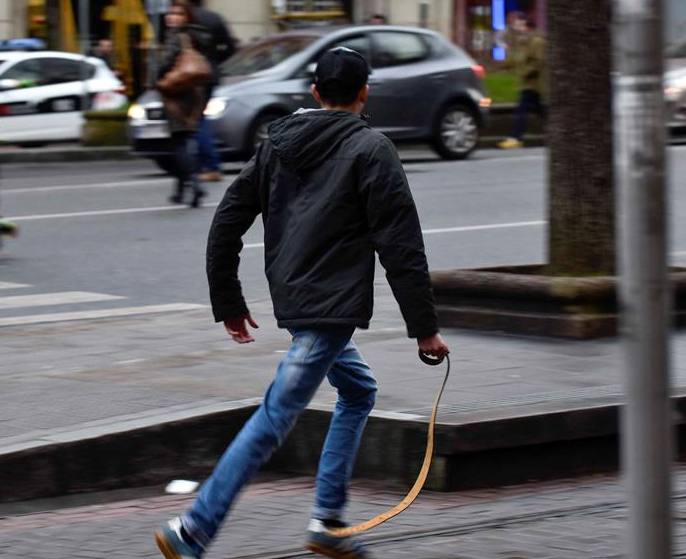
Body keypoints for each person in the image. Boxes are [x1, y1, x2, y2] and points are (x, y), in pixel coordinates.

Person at [154, 47, 450, 559]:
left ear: (314, 92)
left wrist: (228, 299)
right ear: (364, 94)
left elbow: (227, 220)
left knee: (358, 390)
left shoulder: (276, 143)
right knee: (274, 418)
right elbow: (401, 246)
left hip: (294, 298)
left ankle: (327, 522)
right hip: (328, 311)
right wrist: (424, 329)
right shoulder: (372, 149)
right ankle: (193, 529)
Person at [157, 0, 210, 207]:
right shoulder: (197, 35)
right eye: (171, 13)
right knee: (186, 138)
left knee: (178, 141)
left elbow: (166, 63)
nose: (172, 17)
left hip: (176, 93)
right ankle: (180, 191)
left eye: (177, 14)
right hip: (195, 93)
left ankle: (195, 184)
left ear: (185, 16)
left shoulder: (176, 36)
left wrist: (158, 78)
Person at [188, 0, 237, 182]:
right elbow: (230, 48)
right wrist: (214, 61)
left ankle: (210, 165)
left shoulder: (185, 17)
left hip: (190, 75)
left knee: (197, 119)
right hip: (209, 73)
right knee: (200, 118)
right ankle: (205, 164)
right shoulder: (214, 18)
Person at [498, 15, 547, 149]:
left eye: (520, 25)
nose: (517, 28)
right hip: (526, 83)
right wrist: (503, 66)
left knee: (522, 109)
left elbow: (538, 62)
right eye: (516, 25)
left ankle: (516, 137)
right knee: (540, 110)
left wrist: (525, 73)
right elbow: (515, 59)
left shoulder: (537, 42)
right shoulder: (522, 42)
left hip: (534, 83)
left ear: (528, 27)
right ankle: (556, 130)